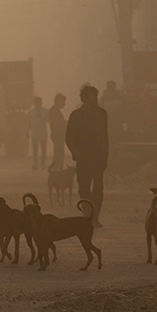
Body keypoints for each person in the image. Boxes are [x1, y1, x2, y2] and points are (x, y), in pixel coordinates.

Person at [66, 85, 108, 227]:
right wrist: (75, 151)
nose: (94, 98)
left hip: (99, 157)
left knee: (98, 187)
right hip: (83, 157)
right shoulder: (76, 115)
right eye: (91, 96)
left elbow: (105, 137)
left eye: (95, 96)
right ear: (83, 99)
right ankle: (87, 214)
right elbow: (70, 137)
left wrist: (107, 155)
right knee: (84, 186)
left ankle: (95, 217)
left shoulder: (102, 114)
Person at [27, 96, 49, 170]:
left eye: (38, 102)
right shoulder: (31, 111)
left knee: (43, 149)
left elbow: (48, 120)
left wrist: (42, 116)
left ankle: (42, 163)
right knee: (35, 149)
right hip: (34, 133)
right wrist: (27, 131)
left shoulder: (45, 111)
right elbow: (29, 122)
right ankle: (35, 163)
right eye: (35, 102)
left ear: (41, 103)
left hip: (43, 133)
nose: (36, 104)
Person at [48, 93, 67, 168]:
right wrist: (66, 123)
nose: (64, 104)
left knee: (58, 153)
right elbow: (55, 123)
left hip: (57, 135)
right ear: (59, 101)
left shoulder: (55, 110)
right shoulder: (53, 111)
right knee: (60, 153)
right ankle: (58, 169)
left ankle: (56, 169)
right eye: (63, 101)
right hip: (57, 135)